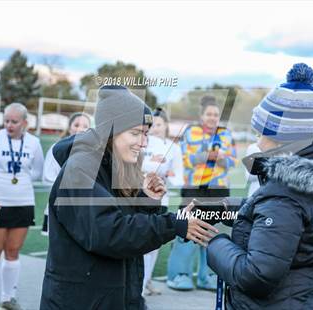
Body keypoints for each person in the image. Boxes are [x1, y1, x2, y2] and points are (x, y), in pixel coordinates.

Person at [201, 63, 313, 309]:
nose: (257, 139)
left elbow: (256, 275)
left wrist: (214, 242)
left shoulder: (287, 194)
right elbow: (278, 217)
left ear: (280, 136)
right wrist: (220, 208)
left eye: (260, 132)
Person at [39, 85, 218, 310]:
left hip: (114, 295)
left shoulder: (115, 163)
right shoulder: (81, 167)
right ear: (109, 130)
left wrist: (145, 199)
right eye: (135, 133)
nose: (143, 142)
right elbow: (108, 233)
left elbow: (122, 222)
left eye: (145, 133)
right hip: (82, 300)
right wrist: (173, 224)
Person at [166, 95, 237, 291]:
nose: (213, 117)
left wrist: (222, 159)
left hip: (219, 191)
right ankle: (179, 275)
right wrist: (208, 155)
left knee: (214, 233)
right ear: (202, 115)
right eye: (209, 114)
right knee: (187, 231)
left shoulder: (226, 134)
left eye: (216, 114)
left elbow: (233, 160)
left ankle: (209, 276)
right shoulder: (191, 131)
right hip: (194, 190)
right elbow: (186, 158)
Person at [0, 103, 44, 310]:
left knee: (13, 251)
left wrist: (19, 181)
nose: (9, 125)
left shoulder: (34, 142)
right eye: (6, 120)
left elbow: (37, 171)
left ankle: (8, 298)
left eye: (14, 121)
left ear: (25, 122)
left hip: (24, 202)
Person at [141, 107, 184, 295]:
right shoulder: (142, 143)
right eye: (152, 125)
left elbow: (179, 178)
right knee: (140, 242)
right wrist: (155, 166)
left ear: (166, 125)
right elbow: (136, 165)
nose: (155, 128)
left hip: (161, 200)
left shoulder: (173, 147)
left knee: (153, 245)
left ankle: (146, 280)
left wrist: (165, 172)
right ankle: (140, 285)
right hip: (138, 199)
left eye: (159, 124)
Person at [41, 112, 91, 235]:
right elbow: (48, 179)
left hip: (82, 212)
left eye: (85, 126)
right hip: (59, 210)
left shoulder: (93, 153)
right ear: (69, 128)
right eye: (76, 125)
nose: (80, 129)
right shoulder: (57, 148)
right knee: (57, 251)